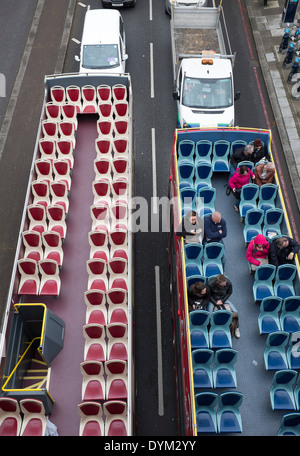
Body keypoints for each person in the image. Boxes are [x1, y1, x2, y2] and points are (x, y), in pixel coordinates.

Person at [207, 274, 240, 338]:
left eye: (225, 283)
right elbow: (208, 295)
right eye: (223, 284)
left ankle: (237, 328)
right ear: (218, 283)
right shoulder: (210, 284)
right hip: (213, 300)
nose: (225, 285)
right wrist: (215, 302)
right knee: (210, 315)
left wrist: (222, 300)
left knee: (236, 312)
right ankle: (210, 329)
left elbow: (230, 292)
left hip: (223, 299)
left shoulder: (228, 283)